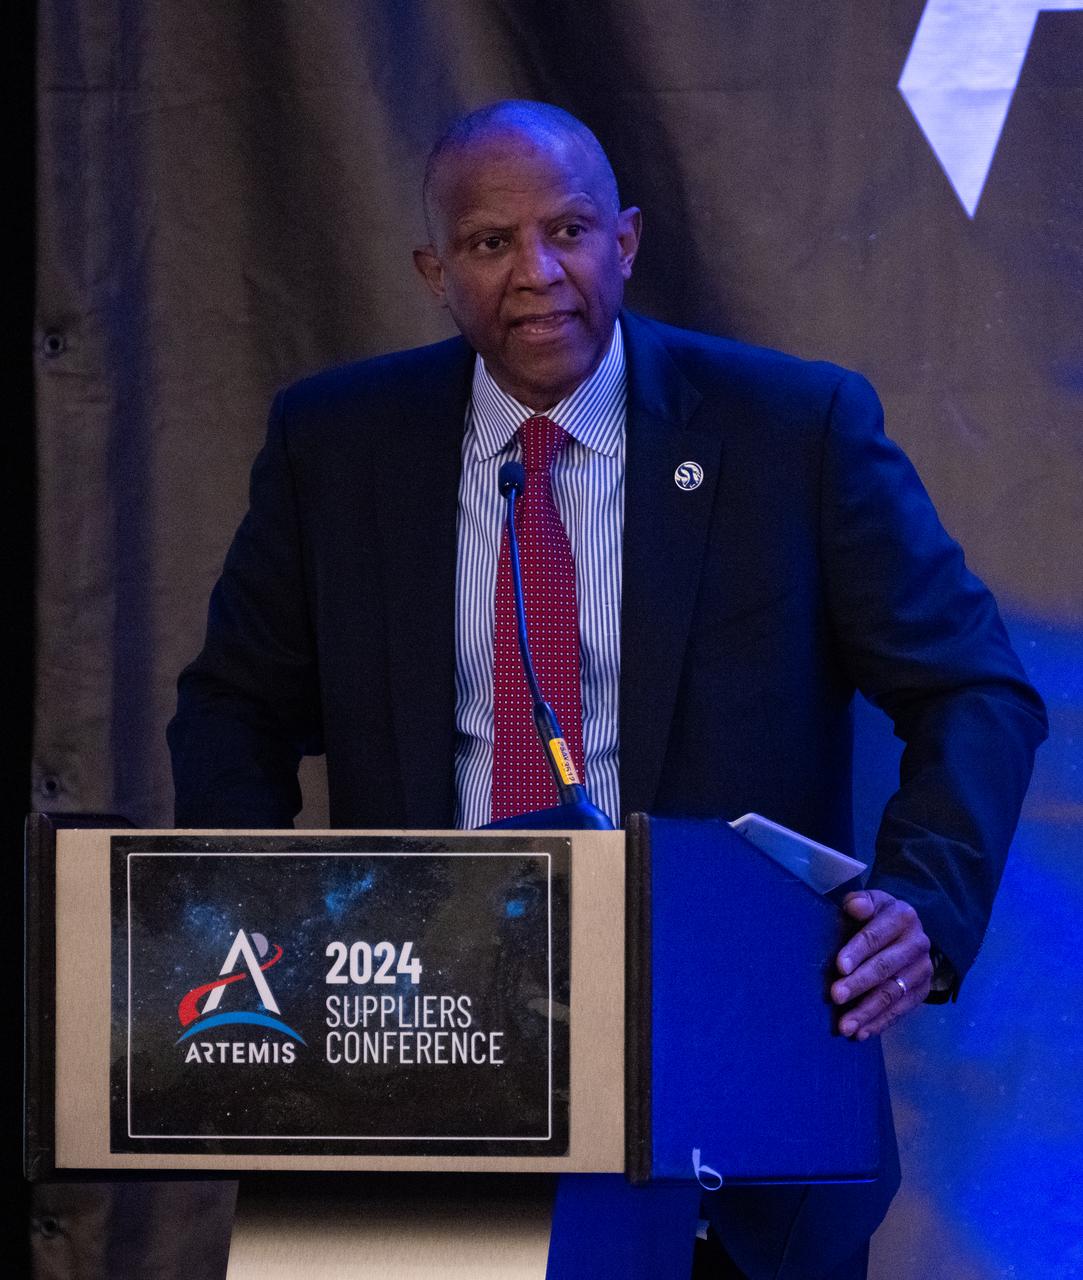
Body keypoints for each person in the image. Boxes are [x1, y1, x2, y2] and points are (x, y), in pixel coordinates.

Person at [169, 101, 1047, 1279]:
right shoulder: (338, 443)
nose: (537, 273)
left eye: (569, 229)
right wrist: (252, 912)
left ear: (625, 241)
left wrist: (922, 908)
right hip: (418, 1033)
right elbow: (233, 703)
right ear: (436, 270)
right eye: (489, 244)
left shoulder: (793, 428)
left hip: (728, 1058)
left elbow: (976, 686)